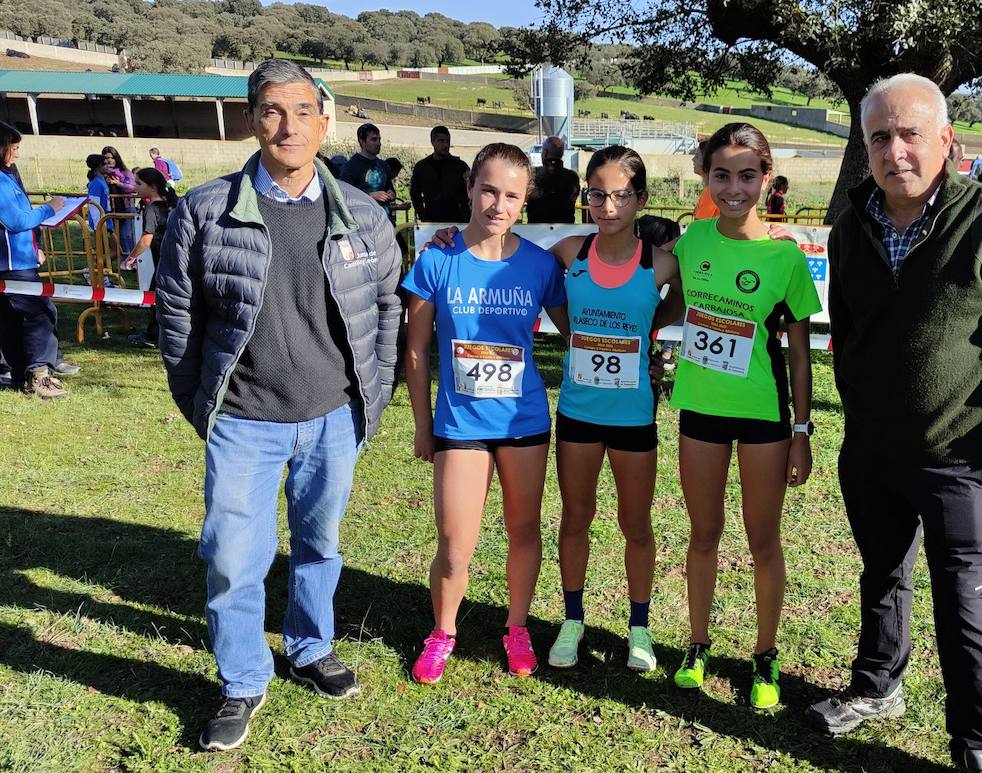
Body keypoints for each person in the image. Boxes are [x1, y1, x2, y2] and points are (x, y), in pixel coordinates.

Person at [805, 74, 982, 773]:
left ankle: (979, 741)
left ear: (946, 141)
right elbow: (855, 330)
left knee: (963, 598)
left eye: (910, 133)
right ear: (865, 148)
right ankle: (877, 686)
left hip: (961, 453)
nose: (895, 150)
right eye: (879, 137)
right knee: (882, 575)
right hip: (871, 449)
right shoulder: (850, 228)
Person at [155, 59, 402, 753]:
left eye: (301, 111)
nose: (287, 125)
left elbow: (384, 314)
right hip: (243, 421)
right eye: (271, 110)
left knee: (319, 545)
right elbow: (178, 319)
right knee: (233, 554)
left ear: (325, 122)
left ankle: (310, 644)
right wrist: (203, 404)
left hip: (333, 419)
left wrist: (368, 405)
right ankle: (240, 680)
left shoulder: (366, 216)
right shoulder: (203, 211)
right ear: (251, 120)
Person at [404, 143, 569, 685]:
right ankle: (443, 632)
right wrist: (423, 424)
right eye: (490, 190)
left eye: (512, 195)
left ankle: (516, 627)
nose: (499, 204)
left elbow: (576, 333)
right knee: (455, 545)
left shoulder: (541, 265)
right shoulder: (437, 258)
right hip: (460, 427)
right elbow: (415, 349)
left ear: (526, 201)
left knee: (524, 530)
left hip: (524, 424)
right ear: (471, 188)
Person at [668, 122, 820, 711]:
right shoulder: (691, 241)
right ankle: (697, 644)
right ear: (704, 178)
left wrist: (802, 431)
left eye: (747, 176)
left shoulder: (784, 257)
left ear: (767, 178)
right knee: (703, 535)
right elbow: (652, 283)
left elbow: (801, 359)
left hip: (764, 418)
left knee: (763, 539)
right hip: (700, 412)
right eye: (721, 175)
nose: (734, 188)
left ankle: (764, 654)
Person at [543, 145, 684, 673]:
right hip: (578, 413)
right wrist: (570, 330)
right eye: (597, 194)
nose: (608, 206)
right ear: (586, 198)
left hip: (634, 419)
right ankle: (573, 619)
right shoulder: (568, 253)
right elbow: (518, 263)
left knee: (636, 524)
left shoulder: (662, 263)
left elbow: (682, 302)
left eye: (621, 195)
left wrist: (650, 332)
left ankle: (639, 626)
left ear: (641, 199)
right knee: (575, 518)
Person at [0, 121, 68, 399]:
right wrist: (49, 209)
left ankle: (19, 375)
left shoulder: (8, 177)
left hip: (18, 260)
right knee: (40, 314)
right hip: (12, 266)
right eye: (13, 148)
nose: (17, 154)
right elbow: (15, 221)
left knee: (11, 320)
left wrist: (34, 247)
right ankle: (39, 375)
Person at [120, 167, 177, 348]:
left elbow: (146, 240)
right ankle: (156, 335)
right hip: (175, 259)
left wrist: (130, 258)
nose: (135, 186)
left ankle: (156, 337)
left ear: (152, 187)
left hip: (164, 261)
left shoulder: (152, 209)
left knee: (155, 300)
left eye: (138, 183)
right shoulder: (172, 205)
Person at [410, 125, 471, 223]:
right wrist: (422, 215)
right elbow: (415, 194)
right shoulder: (422, 167)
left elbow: (471, 190)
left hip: (458, 220)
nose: (445, 145)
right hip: (431, 220)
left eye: (448, 141)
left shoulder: (460, 166)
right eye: (441, 141)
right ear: (433, 142)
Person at [339, 123, 396, 213]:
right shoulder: (351, 166)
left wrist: (391, 194)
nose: (378, 143)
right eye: (374, 139)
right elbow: (344, 195)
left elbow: (389, 188)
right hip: (362, 220)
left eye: (379, 139)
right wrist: (370, 196)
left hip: (384, 219)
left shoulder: (384, 165)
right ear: (362, 142)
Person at [525, 136, 581, 224]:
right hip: (566, 229)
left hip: (535, 230)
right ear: (562, 155)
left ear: (545, 153)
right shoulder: (572, 177)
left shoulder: (533, 174)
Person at [101, 146, 137, 255]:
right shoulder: (103, 174)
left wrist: (118, 184)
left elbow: (133, 188)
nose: (109, 160)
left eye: (112, 157)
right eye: (106, 158)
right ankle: (124, 260)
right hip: (112, 209)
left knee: (127, 235)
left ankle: (133, 260)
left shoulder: (126, 172)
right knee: (118, 236)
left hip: (127, 208)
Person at [691, 140, 720, 220]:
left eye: (697, 156)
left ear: (707, 162)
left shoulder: (710, 192)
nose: (693, 159)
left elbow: (699, 227)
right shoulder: (713, 188)